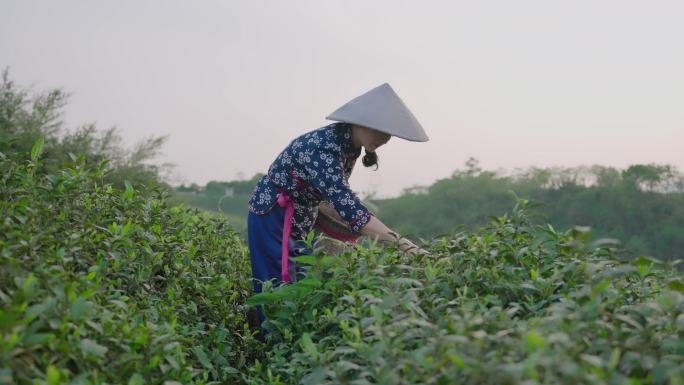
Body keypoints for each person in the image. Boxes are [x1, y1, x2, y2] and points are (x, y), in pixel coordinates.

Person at [246, 83, 429, 331]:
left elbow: (335, 199)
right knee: (277, 287)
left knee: (302, 283)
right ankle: (270, 348)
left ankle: (292, 346)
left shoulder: (348, 147)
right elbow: (349, 208)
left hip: (302, 217)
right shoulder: (322, 147)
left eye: (390, 134)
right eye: (382, 131)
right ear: (361, 122)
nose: (385, 139)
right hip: (274, 218)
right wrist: (407, 247)